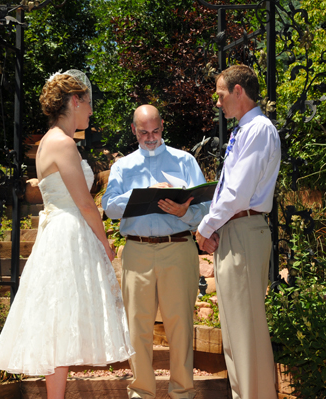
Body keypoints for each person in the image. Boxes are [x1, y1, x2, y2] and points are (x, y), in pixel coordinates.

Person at [0, 70, 134, 399]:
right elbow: (84, 203)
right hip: (68, 235)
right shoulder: (62, 143)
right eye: (89, 103)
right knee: (59, 324)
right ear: (74, 101)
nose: (91, 111)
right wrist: (106, 244)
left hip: (60, 232)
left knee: (61, 324)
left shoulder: (51, 141)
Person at [102, 104, 209, 399]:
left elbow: (206, 207)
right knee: (137, 328)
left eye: (156, 131)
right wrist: (146, 191)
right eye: (144, 132)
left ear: (163, 126)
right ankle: (141, 394)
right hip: (137, 251)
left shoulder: (184, 161)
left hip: (178, 248)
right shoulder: (123, 167)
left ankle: (182, 394)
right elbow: (109, 207)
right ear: (134, 130)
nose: (151, 137)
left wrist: (184, 212)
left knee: (181, 327)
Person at [195, 64, 281, 399]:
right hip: (236, 230)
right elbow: (228, 190)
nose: (218, 103)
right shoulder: (243, 131)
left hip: (244, 229)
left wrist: (205, 228)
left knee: (246, 333)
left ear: (238, 92)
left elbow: (237, 193)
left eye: (220, 95)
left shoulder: (258, 129)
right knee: (234, 333)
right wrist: (214, 226)